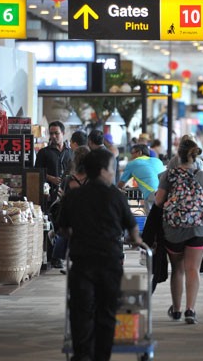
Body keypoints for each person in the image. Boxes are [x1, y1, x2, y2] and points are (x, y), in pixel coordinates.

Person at [58, 148, 140, 361]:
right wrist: (135, 240)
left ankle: (82, 355)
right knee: (107, 312)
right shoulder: (115, 196)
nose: (114, 174)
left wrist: (80, 233)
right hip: (110, 263)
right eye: (113, 169)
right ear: (103, 170)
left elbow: (63, 230)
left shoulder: (73, 196)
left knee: (80, 311)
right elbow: (132, 229)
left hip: (82, 262)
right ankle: (102, 357)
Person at [155, 139, 203, 324]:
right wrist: (202, 218)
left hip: (174, 230)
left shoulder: (168, 175)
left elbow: (158, 201)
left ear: (178, 155)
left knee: (177, 269)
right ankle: (190, 310)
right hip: (199, 229)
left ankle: (176, 310)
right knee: (193, 269)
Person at [51, 145, 91, 274]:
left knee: (69, 239)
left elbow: (62, 196)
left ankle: (69, 264)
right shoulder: (93, 178)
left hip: (72, 214)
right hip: (89, 214)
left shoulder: (69, 179)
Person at [118, 144, 165, 213]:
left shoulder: (132, 164)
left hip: (151, 194)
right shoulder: (158, 161)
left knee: (151, 220)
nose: (131, 156)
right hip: (164, 192)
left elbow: (121, 184)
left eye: (132, 153)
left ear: (139, 152)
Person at [35, 121, 72, 206]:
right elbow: (36, 172)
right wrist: (50, 178)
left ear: (63, 133)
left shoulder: (70, 152)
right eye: (51, 134)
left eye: (56, 133)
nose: (53, 136)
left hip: (68, 193)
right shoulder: (43, 152)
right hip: (49, 193)